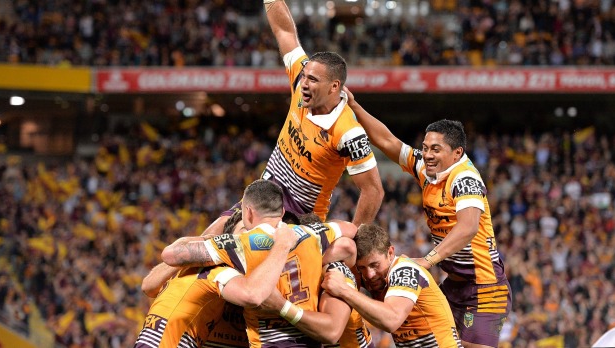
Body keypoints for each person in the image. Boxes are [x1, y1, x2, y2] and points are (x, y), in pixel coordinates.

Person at [202, 0, 384, 236]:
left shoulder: (349, 132)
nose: (304, 84)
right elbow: (284, 31)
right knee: (207, 237)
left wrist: (357, 240)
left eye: (313, 80)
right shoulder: (301, 81)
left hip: (301, 216)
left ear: (334, 87)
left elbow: (373, 190)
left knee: (242, 242)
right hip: (266, 195)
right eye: (305, 76)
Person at [346, 90, 511, 348]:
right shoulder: (426, 168)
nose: (428, 154)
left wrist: (428, 259)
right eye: (425, 148)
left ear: (457, 153)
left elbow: (468, 228)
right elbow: (388, 141)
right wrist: (355, 107)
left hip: (485, 287)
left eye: (436, 149)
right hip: (454, 284)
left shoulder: (465, 179)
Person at [161, 179, 357, 347]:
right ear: (281, 211)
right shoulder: (312, 234)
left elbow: (171, 255)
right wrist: (316, 258)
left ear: (248, 212)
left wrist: (206, 238)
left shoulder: (240, 243)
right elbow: (349, 229)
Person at [133, 211, 298, 348]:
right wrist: (202, 245)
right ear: (227, 238)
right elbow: (149, 286)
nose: (251, 238)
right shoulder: (215, 269)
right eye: (244, 231)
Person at [322, 224, 463, 348]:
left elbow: (392, 320)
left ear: (390, 253)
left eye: (374, 265)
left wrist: (344, 290)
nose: (369, 274)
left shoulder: (405, 270)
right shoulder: (374, 278)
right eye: (362, 268)